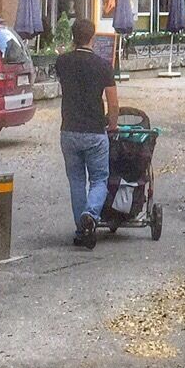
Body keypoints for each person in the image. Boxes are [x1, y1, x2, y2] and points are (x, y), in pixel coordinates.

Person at [55, 17, 119, 249]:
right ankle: (91, 215)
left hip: (69, 130)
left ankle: (81, 228)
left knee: (76, 180)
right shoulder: (103, 66)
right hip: (94, 130)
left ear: (73, 37)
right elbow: (113, 103)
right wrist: (112, 125)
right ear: (93, 37)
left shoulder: (62, 62)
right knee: (100, 178)